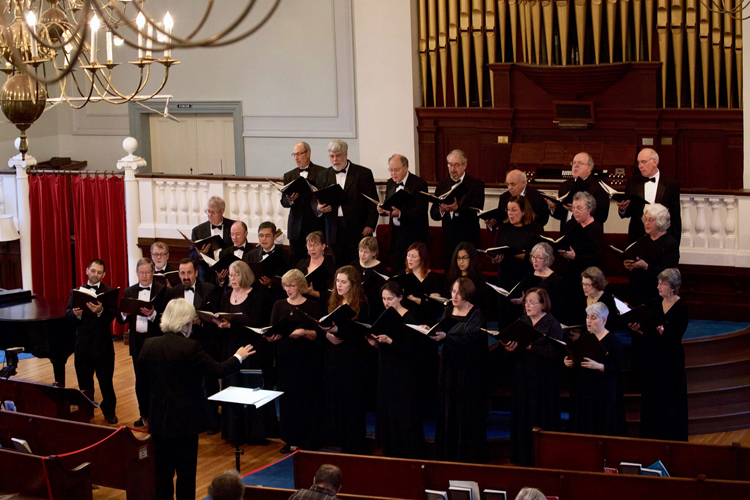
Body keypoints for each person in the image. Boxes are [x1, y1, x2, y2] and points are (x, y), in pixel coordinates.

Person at [136, 298, 254, 500]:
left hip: (159, 421)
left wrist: (145, 413)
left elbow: (142, 384)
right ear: (186, 322)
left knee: (161, 475)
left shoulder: (149, 345)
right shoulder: (190, 347)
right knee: (186, 475)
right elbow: (217, 370)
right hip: (185, 423)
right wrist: (239, 357)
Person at [502, 288, 562, 466]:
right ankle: (521, 455)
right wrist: (509, 348)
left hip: (543, 380)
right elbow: (510, 351)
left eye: (532, 302)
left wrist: (531, 348)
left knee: (540, 414)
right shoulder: (522, 321)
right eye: (526, 302)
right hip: (522, 376)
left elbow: (556, 352)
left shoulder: (552, 324)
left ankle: (542, 456)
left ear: (543, 304)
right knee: (522, 414)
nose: (528, 306)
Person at [216, 261, 275, 443]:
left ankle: (254, 433)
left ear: (245, 275)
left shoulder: (258, 295)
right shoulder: (227, 294)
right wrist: (220, 323)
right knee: (233, 386)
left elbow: (257, 322)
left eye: (236, 275)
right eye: (231, 275)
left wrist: (232, 324)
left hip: (251, 350)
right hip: (231, 347)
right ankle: (234, 432)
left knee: (250, 388)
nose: (232, 278)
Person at [266, 269, 324, 453]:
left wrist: (304, 333)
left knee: (307, 399)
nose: (288, 289)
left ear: (300, 285)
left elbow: (319, 335)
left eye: (292, 285)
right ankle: (289, 438)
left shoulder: (312, 306)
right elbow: (272, 330)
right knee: (288, 400)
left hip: (307, 360)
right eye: (285, 285)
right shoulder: (279, 304)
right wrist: (271, 337)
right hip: (286, 359)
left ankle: (308, 439)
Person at [628, 268, 688, 441]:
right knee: (651, 398)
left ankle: (670, 437)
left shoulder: (681, 307)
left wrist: (659, 328)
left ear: (673, 287)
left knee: (669, 399)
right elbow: (649, 333)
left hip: (670, 360)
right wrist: (638, 331)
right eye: (658, 283)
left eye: (663, 284)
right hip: (652, 357)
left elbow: (674, 335)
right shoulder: (654, 304)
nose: (659, 286)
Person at [432, 277, 488, 463]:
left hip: (467, 370)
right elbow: (441, 328)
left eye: (458, 292)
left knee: (466, 410)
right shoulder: (448, 309)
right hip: (449, 367)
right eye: (453, 291)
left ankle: (466, 454)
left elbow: (471, 339)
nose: (454, 296)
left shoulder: (476, 314)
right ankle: (447, 451)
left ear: (467, 294)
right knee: (448, 407)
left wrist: (446, 336)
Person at [367, 280, 425, 459]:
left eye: (390, 299)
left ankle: (406, 450)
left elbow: (412, 350)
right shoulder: (384, 316)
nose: (386, 303)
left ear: (400, 297)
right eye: (384, 299)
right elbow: (381, 344)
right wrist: (374, 341)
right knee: (388, 409)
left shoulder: (409, 317)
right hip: (386, 370)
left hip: (403, 372)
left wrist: (390, 341)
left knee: (403, 411)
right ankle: (390, 448)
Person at [168, 257, 223, 433]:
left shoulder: (209, 290)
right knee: (184, 383)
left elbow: (217, 318)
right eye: (182, 273)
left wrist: (202, 321)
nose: (186, 277)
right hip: (181, 345)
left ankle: (212, 420)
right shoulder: (173, 292)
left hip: (205, 342)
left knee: (209, 383)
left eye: (189, 273)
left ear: (196, 273)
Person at [321, 265, 371, 454]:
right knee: (335, 396)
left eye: (343, 282)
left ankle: (354, 442)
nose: (339, 285)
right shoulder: (333, 300)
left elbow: (359, 332)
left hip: (352, 356)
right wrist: (327, 334)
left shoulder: (362, 304)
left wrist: (337, 331)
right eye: (337, 281)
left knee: (352, 400)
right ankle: (337, 438)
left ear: (353, 284)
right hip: (333, 355)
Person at [66, 258, 119, 424]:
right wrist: (76, 314)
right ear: (87, 271)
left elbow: (112, 315)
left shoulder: (108, 292)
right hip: (83, 346)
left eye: (99, 272)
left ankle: (109, 412)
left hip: (103, 347)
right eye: (93, 271)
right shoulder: (77, 291)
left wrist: (100, 311)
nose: (95, 274)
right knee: (84, 383)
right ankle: (87, 412)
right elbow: (67, 316)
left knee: (106, 383)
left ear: (103, 274)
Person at [117, 257, 167, 427]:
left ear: (153, 273)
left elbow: (167, 319)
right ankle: (144, 415)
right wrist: (125, 313)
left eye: (147, 272)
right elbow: (121, 319)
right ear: (136, 273)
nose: (144, 276)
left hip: (155, 342)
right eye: (141, 273)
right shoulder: (129, 292)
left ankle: (157, 415)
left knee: (157, 381)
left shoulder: (162, 291)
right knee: (140, 381)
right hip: (137, 342)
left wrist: (152, 314)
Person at [314, 140, 379, 267]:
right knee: (338, 265)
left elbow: (372, 201)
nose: (335, 159)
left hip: (358, 228)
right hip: (333, 229)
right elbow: (314, 200)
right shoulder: (322, 175)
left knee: (358, 264)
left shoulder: (363, 173)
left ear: (346, 154)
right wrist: (318, 208)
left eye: (338, 155)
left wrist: (370, 224)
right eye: (332, 156)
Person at [564, 302, 624, 436]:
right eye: (587, 317)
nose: (589, 321)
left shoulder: (612, 341)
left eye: (593, 318)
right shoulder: (585, 337)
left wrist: (600, 367)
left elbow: (618, 367)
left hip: (603, 393)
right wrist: (569, 362)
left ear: (604, 320)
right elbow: (578, 359)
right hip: (585, 391)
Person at [429, 149, 486, 268]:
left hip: (468, 238)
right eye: (450, 165)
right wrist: (442, 210)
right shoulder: (442, 184)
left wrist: (457, 209)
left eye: (456, 165)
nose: (452, 169)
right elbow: (433, 214)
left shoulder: (476, 185)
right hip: (448, 240)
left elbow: (476, 210)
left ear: (464, 165)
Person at [492, 195, 542, 327]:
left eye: (514, 210)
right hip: (505, 278)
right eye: (508, 210)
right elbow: (496, 250)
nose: (510, 213)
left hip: (525, 278)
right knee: (505, 319)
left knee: (522, 321)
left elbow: (535, 255)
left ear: (523, 211)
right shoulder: (503, 228)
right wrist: (496, 259)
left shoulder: (534, 229)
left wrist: (515, 254)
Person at [617, 148, 682, 244]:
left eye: (643, 162)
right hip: (638, 236)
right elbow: (629, 212)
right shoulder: (633, 182)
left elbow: (675, 216)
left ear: (654, 162)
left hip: (662, 238)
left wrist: (675, 245)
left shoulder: (671, 183)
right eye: (638, 163)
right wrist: (623, 210)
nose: (640, 166)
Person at [378, 154, 429, 270]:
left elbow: (421, 211)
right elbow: (388, 204)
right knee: (396, 271)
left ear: (405, 168)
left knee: (413, 273)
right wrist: (381, 210)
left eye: (396, 170)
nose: (393, 173)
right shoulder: (390, 183)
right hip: (395, 236)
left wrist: (400, 214)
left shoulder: (419, 184)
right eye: (390, 170)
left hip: (413, 236)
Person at [623, 203, 680, 306]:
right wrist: (630, 265)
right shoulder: (644, 239)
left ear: (660, 222)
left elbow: (668, 272)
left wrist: (646, 266)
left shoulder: (670, 243)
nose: (646, 223)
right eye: (646, 219)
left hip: (656, 290)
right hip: (638, 286)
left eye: (650, 220)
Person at [558, 192, 604, 312]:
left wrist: (576, 257)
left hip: (588, 271)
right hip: (570, 268)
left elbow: (597, 257)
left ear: (589, 209)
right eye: (573, 208)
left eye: (579, 208)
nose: (575, 211)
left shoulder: (596, 228)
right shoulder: (570, 225)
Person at [281, 141, 327, 263]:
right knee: (297, 262)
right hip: (296, 228)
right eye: (294, 154)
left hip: (315, 224)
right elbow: (283, 201)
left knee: (316, 261)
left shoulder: (322, 173)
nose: (296, 157)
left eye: (299, 154)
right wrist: (289, 200)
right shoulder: (289, 175)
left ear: (308, 153)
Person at [547, 152, 610, 232]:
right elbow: (561, 215)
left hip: (588, 235)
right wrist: (553, 207)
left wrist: (578, 210)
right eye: (574, 163)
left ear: (589, 168)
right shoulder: (564, 186)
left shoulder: (599, 188)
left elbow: (602, 216)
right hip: (567, 235)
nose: (575, 166)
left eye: (580, 163)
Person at [511, 242, 564, 321]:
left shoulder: (555, 279)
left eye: (539, 257)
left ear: (547, 259)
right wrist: (521, 300)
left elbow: (556, 306)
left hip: (546, 319)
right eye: (533, 257)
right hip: (528, 317)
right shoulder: (529, 276)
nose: (534, 260)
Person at [189, 196, 236, 283]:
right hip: (206, 277)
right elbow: (192, 255)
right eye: (208, 211)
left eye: (213, 212)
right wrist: (200, 255)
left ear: (222, 211)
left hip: (229, 274)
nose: (209, 215)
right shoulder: (198, 231)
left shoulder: (234, 226)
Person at [246, 221, 291, 301]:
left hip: (277, 296)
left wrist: (271, 283)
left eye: (267, 236)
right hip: (256, 296)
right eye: (261, 236)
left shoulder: (285, 254)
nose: (264, 239)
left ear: (274, 236)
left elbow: (288, 279)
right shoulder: (251, 255)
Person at [352, 236, 390, 322]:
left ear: (374, 253)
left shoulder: (381, 269)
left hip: (374, 305)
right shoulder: (354, 265)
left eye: (366, 252)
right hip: (356, 302)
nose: (362, 255)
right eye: (360, 251)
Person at [444, 242, 488, 315]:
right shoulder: (451, 277)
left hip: (472, 316)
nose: (461, 262)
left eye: (464, 258)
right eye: (458, 258)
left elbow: (482, 304)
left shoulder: (480, 278)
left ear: (472, 259)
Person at [296, 231, 337, 306]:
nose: (312, 249)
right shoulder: (301, 264)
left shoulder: (330, 266)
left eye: (316, 245)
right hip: (301, 302)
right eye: (309, 245)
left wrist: (314, 293)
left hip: (322, 304)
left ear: (323, 246)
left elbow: (334, 293)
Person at [216, 221, 254, 287]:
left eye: (237, 234)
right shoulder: (224, 253)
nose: (234, 238)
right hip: (229, 291)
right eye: (232, 234)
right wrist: (221, 279)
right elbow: (221, 283)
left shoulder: (254, 251)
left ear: (246, 233)